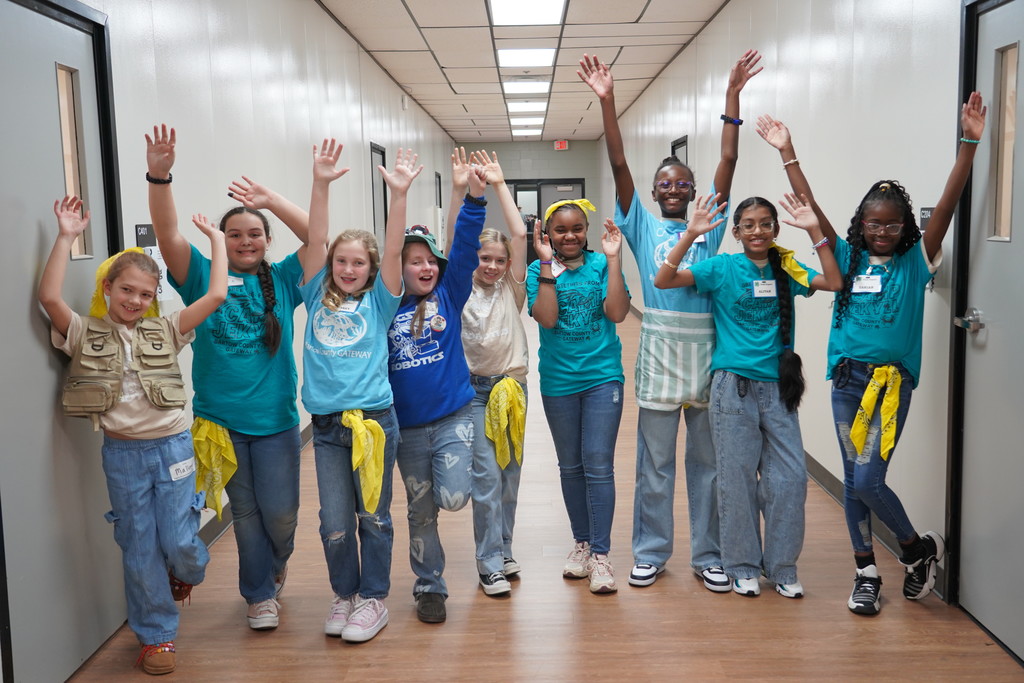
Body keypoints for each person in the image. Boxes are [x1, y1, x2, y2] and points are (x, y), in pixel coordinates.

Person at [755, 92, 987, 614]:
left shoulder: (917, 261)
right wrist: (787, 153)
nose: (882, 232)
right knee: (855, 483)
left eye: (892, 225)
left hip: (889, 385)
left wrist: (969, 143)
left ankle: (916, 549)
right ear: (861, 225)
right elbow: (811, 209)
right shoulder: (848, 255)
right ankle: (866, 572)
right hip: (847, 381)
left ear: (907, 229)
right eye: (873, 224)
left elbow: (946, 207)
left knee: (865, 478)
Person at [578, 50, 761, 590]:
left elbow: (727, 161)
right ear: (654, 193)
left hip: (709, 353)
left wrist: (732, 97)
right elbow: (617, 164)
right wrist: (607, 101)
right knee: (655, 464)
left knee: (706, 465)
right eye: (666, 183)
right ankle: (652, 551)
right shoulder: (641, 227)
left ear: (695, 190)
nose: (674, 189)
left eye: (683, 183)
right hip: (659, 351)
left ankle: (708, 555)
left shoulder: (711, 225)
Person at [39, 195, 226, 675]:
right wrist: (65, 236)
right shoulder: (85, 331)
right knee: (139, 542)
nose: (135, 301)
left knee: (182, 543)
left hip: (173, 448)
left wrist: (218, 243)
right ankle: (157, 636)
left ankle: (181, 575)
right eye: (127, 291)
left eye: (145, 294)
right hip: (121, 454)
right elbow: (50, 299)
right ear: (108, 286)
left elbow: (216, 297)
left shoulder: (166, 329)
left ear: (154, 299)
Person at [146, 124, 308, 631]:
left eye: (253, 234)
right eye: (234, 234)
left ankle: (277, 565)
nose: (244, 241)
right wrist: (160, 175)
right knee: (245, 516)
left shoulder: (283, 278)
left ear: (265, 240)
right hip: (220, 423)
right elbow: (168, 234)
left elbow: (318, 236)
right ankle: (258, 596)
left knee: (280, 515)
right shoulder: (200, 273)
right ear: (221, 240)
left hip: (277, 421)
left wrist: (270, 200)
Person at [654, 192, 842, 598]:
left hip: (779, 389)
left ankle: (782, 566)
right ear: (736, 232)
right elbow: (664, 280)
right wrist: (690, 234)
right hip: (732, 389)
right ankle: (741, 564)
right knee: (736, 479)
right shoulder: (723, 267)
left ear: (776, 229)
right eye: (750, 225)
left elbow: (835, 281)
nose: (758, 231)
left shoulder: (787, 266)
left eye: (766, 223)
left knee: (789, 479)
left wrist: (814, 230)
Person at [301, 140, 421, 642]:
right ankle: (345, 594)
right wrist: (321, 184)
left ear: (372, 271)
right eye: (341, 262)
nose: (349, 270)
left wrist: (399, 195)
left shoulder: (380, 303)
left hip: (374, 422)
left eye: (359, 264)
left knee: (372, 515)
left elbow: (394, 248)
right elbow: (316, 236)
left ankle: (373, 599)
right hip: (328, 428)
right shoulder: (313, 293)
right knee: (333, 519)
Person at [387, 157, 489, 624]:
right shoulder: (384, 307)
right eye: (414, 261)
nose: (425, 267)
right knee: (419, 510)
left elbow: (463, 244)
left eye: (430, 260)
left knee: (452, 498)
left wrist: (471, 197)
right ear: (399, 267)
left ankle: (435, 574)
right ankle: (430, 585)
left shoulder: (449, 292)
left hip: (452, 418)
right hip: (405, 429)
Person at [527, 203, 631, 594]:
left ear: (586, 230)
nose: (568, 236)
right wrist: (548, 268)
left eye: (576, 229)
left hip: (603, 378)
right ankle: (582, 544)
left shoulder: (602, 265)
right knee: (570, 466)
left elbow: (618, 313)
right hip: (558, 382)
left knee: (599, 464)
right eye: (559, 230)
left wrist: (614, 260)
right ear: (548, 234)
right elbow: (548, 319)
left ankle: (601, 556)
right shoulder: (539, 271)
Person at [456, 150, 529, 596]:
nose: (492, 265)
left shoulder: (511, 288)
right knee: (485, 478)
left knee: (508, 476)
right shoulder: (460, 285)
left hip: (514, 391)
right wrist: (469, 192)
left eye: (499, 260)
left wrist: (500, 185)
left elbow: (519, 234)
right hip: (475, 394)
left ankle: (503, 548)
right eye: (485, 257)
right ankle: (488, 564)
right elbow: (454, 241)